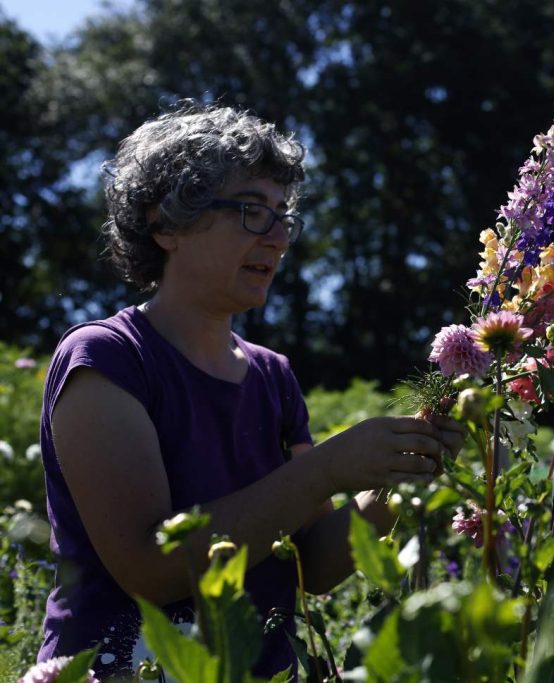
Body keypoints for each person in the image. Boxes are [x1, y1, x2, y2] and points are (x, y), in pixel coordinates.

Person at [36, 102, 464, 679]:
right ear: (166, 225)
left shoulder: (272, 376)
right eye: (251, 211)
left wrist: (398, 474)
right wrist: (327, 470)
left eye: (284, 215)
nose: (279, 237)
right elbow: (149, 566)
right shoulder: (107, 359)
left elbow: (311, 563)